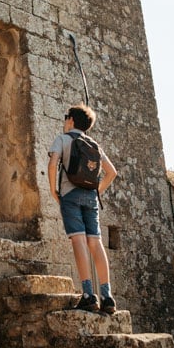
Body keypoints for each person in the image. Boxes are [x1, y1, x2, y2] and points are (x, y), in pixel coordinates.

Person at [48, 104, 117, 313]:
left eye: (65, 118)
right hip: (91, 198)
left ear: (70, 120)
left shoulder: (64, 139)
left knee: (78, 240)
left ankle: (88, 294)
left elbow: (53, 164)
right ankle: (107, 296)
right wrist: (97, 192)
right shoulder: (94, 144)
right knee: (95, 243)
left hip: (70, 196)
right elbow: (111, 172)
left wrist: (53, 190)